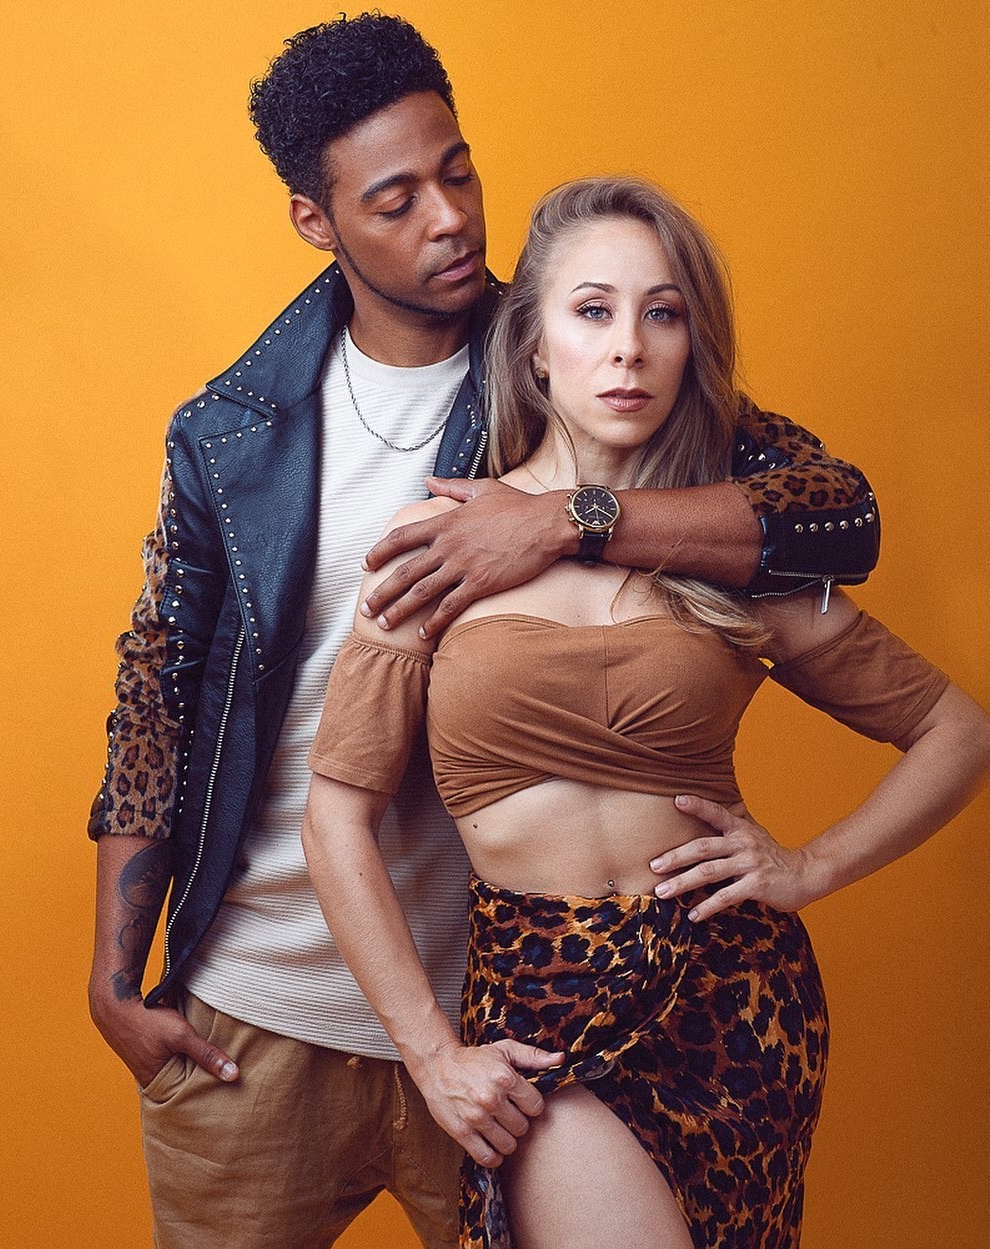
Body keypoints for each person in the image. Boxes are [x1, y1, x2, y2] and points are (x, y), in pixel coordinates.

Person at [88, 15, 879, 1249]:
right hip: (253, 1011)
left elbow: (838, 515)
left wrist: (569, 516)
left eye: (458, 172)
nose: (451, 218)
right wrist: (113, 976)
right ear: (316, 220)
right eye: (396, 200)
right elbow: (156, 690)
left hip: (509, 1023)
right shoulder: (227, 430)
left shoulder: (577, 363)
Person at [302, 175, 990, 1249]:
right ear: (535, 346)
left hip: (737, 998)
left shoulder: (735, 556)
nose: (627, 347)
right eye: (592, 311)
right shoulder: (439, 549)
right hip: (546, 1001)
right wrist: (432, 1052)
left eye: (660, 314)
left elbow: (957, 730)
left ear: (688, 344)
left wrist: (809, 867)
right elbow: (334, 816)